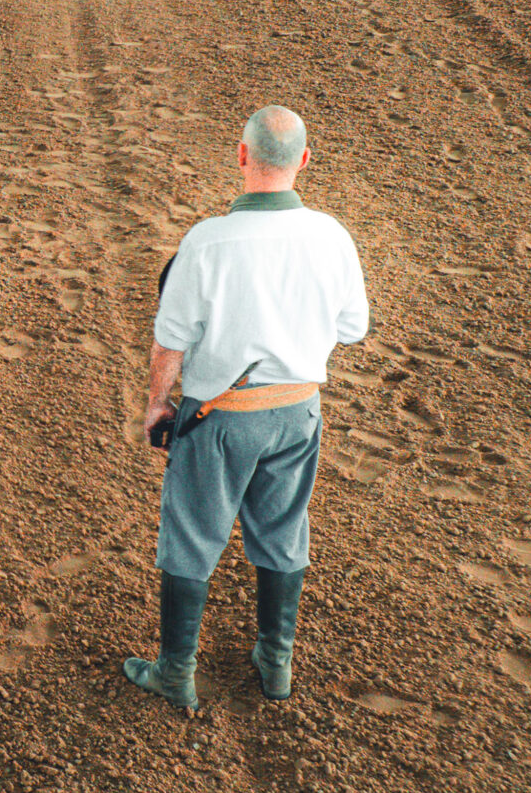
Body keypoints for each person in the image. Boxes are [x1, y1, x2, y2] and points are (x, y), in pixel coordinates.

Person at [128, 107, 366, 710]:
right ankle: (275, 662)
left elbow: (171, 339)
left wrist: (159, 403)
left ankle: (176, 672)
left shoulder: (207, 240)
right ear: (304, 161)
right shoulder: (333, 236)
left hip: (220, 417)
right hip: (296, 413)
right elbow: (353, 327)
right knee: (284, 533)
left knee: (191, 537)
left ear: (241, 155)